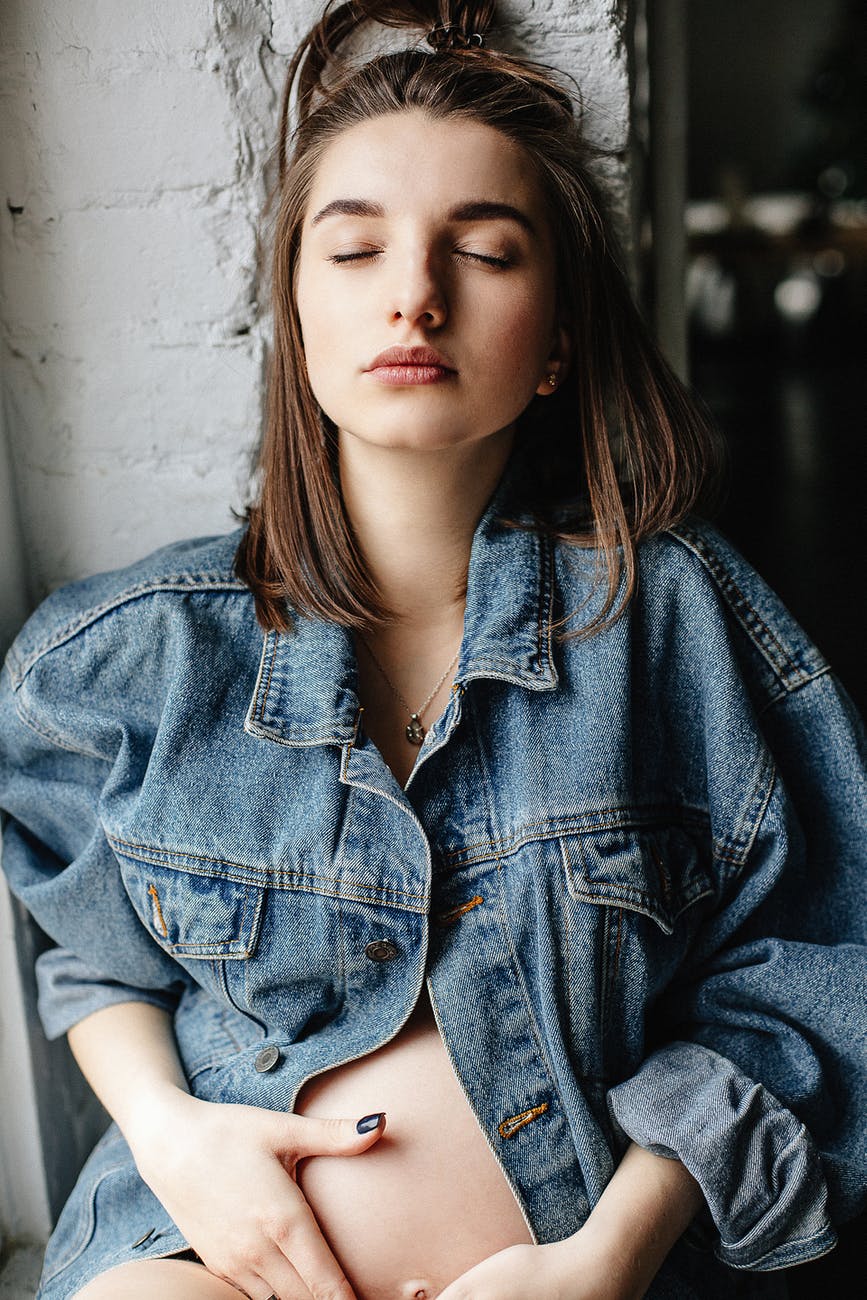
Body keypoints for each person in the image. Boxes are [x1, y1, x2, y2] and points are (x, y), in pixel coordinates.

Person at [0, 2, 865, 1298]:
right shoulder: (134, 654)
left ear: (561, 339)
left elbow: (807, 984)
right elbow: (91, 955)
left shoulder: (677, 623)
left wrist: (605, 1262)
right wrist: (174, 1141)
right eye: (353, 251)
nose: (415, 294)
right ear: (293, 313)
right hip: (206, 1257)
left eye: (488, 250)